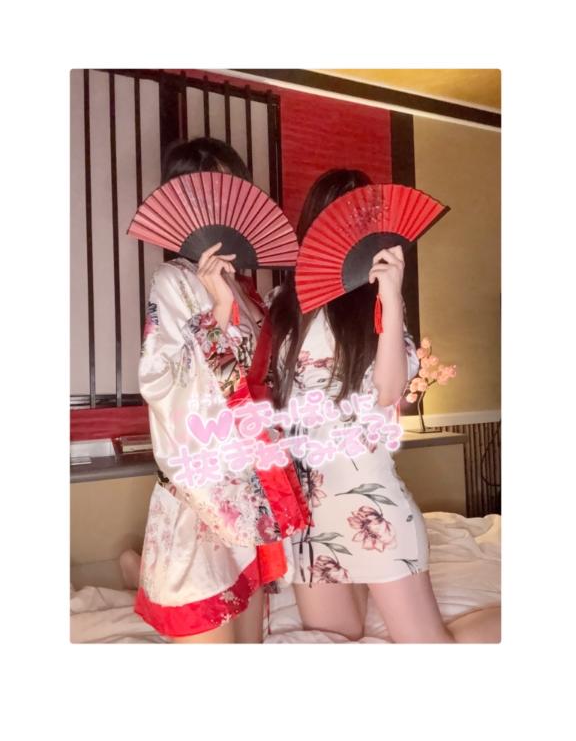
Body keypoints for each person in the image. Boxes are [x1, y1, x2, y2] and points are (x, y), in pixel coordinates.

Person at [267, 169, 501, 643]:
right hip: (309, 511)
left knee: (428, 649)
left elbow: (389, 392)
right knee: (336, 640)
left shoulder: (376, 303)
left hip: (371, 500)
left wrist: (392, 298)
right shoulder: (284, 303)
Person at [133, 137, 306, 644]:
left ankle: (128, 563)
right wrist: (218, 314)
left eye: (232, 190)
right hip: (200, 492)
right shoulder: (172, 279)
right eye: (204, 193)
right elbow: (159, 380)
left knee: (250, 643)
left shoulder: (250, 291)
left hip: (246, 486)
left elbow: (256, 383)